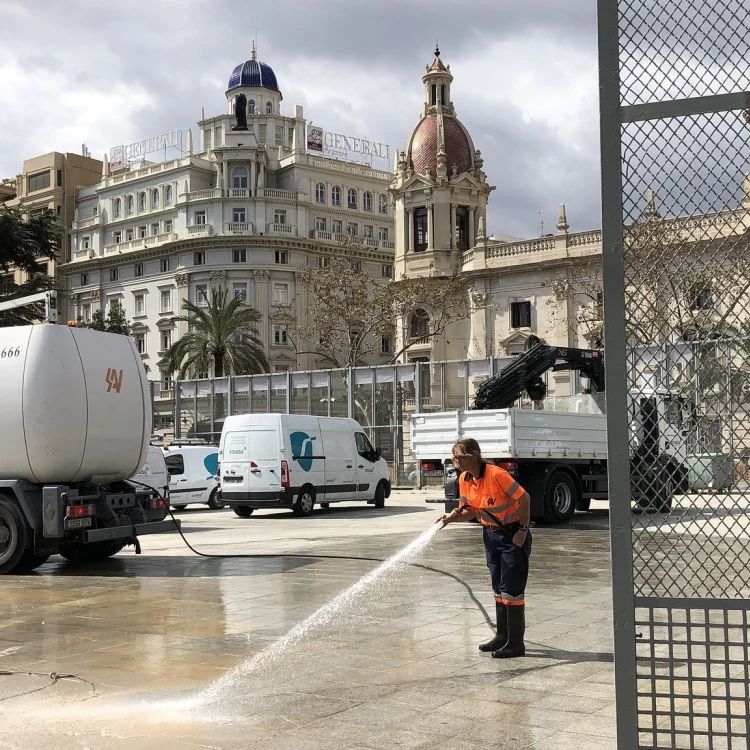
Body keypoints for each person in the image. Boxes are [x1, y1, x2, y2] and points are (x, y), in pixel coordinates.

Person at [439, 438, 532, 658]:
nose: (456, 461)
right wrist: (450, 519)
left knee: (512, 589)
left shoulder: (497, 474)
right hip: (490, 535)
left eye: (459, 457)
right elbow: (469, 511)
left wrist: (523, 530)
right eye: (454, 457)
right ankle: (502, 637)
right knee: (498, 587)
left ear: (473, 456)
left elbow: (525, 498)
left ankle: (516, 643)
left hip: (511, 535)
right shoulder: (464, 479)